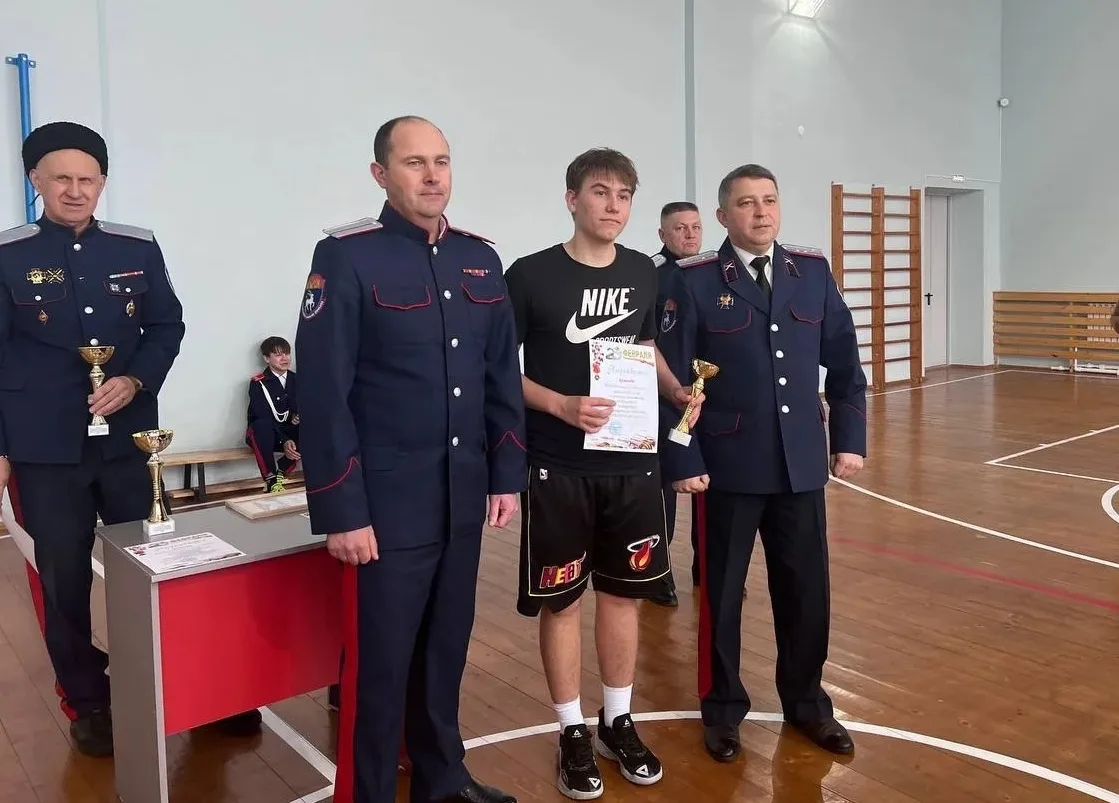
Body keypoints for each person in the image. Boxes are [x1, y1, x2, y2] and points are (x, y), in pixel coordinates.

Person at [0, 121, 263, 758]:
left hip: (129, 443)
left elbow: (166, 325)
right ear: (35, 180)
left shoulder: (135, 246)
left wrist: (136, 378)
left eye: (87, 179)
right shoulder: (7, 254)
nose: (75, 190)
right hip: (44, 451)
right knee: (63, 583)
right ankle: (89, 701)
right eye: (61, 178)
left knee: (161, 566)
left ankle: (195, 684)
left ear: (103, 183)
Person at [294, 115, 526, 803]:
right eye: (414, 163)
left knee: (444, 651)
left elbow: (500, 378)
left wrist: (505, 475)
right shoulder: (347, 257)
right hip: (386, 507)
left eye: (441, 162)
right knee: (380, 667)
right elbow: (324, 393)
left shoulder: (479, 259)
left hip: (461, 496)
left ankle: (441, 781)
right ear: (380, 174)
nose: (432, 177)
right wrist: (343, 510)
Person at [504, 148, 702, 800]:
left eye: (623, 195)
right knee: (562, 600)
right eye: (599, 191)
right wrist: (559, 405)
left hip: (632, 462)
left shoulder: (643, 272)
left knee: (623, 595)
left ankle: (617, 718)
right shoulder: (529, 274)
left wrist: (675, 390)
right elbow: (496, 367)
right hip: (557, 465)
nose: (613, 205)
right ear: (572, 199)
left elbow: (644, 346)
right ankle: (570, 729)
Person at [656, 164, 867, 762]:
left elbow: (845, 363)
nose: (761, 212)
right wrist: (683, 455)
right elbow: (670, 378)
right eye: (747, 203)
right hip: (726, 466)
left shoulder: (811, 273)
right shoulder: (694, 281)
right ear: (723, 216)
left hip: (800, 464)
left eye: (769, 200)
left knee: (806, 592)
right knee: (721, 595)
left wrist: (848, 439)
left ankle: (807, 703)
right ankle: (722, 708)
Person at [649, 201, 705, 606]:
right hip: (662, 399)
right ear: (663, 234)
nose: (689, 235)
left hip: (706, 401)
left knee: (709, 487)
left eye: (695, 227)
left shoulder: (713, 274)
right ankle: (657, 572)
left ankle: (708, 567)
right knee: (662, 490)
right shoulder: (649, 275)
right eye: (680, 228)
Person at [245, 335, 300, 492]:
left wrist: (299, 416)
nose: (285, 358)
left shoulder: (298, 380)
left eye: (287, 353)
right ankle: (270, 478)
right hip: (268, 434)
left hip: (290, 432)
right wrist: (284, 440)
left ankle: (282, 469)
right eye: (278, 354)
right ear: (267, 359)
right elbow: (262, 415)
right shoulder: (258, 383)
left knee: (315, 427)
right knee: (261, 425)